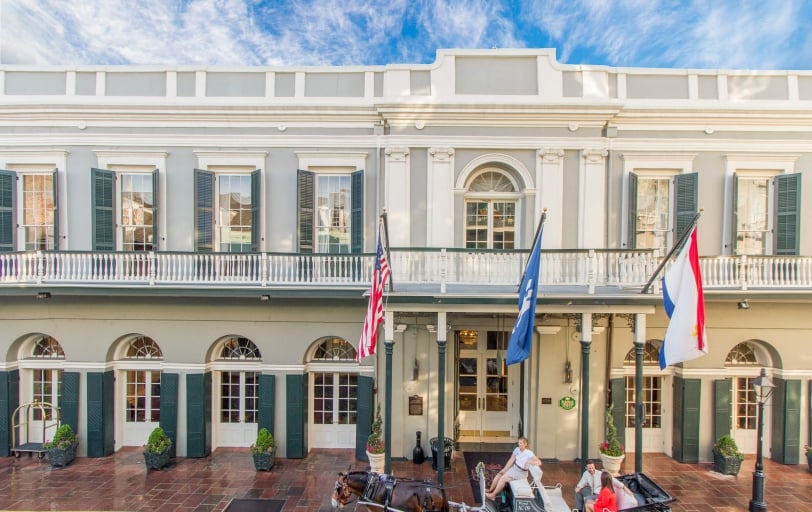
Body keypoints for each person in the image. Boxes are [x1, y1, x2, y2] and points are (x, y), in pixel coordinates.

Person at [484, 437, 542, 501]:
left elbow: (539, 462)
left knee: (503, 478)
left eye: (521, 443)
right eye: (519, 443)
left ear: (525, 444)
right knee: (500, 474)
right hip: (514, 469)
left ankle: (493, 495)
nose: (519, 444)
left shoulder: (529, 453)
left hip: (521, 473)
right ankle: (490, 490)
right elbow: (511, 460)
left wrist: (529, 461)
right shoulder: (517, 449)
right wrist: (504, 469)